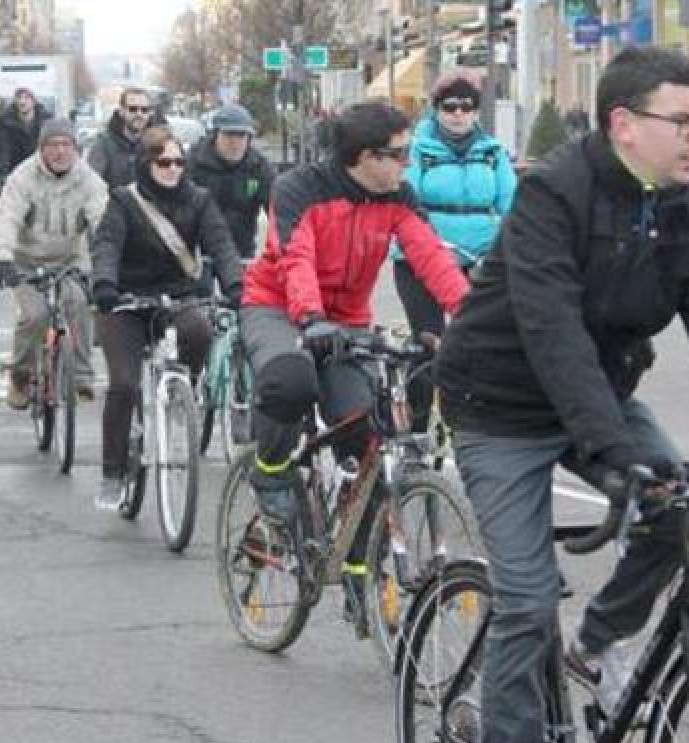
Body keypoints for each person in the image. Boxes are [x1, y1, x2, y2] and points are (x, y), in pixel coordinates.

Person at [432, 46, 689, 743]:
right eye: (684, 120)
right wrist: (613, 455)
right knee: (529, 601)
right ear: (624, 123)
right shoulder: (555, 194)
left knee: (680, 509)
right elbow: (552, 330)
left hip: (599, 396)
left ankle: (596, 642)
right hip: (498, 406)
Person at [240, 101, 469, 614]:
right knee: (290, 381)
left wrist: (470, 318)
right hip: (280, 308)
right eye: (398, 154)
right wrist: (310, 318)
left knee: (370, 435)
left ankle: (358, 564)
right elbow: (293, 255)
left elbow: (431, 257)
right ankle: (270, 469)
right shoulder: (299, 189)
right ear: (365, 156)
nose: (406, 164)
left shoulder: (398, 198)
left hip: (346, 320)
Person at [90, 125, 245, 510]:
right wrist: (105, 285)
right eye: (163, 162)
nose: (173, 169)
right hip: (125, 301)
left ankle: (182, 391)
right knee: (124, 385)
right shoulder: (124, 202)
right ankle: (112, 473)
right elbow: (107, 244)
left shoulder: (199, 200)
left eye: (178, 161)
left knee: (199, 328)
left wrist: (236, 286)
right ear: (146, 164)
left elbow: (220, 244)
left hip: (176, 296)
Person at [393, 71, 517, 433]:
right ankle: (415, 427)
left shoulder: (492, 152)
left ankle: (475, 420)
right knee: (429, 343)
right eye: (450, 107)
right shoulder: (417, 152)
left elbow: (512, 203)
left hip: (479, 258)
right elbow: (405, 202)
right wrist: (425, 241)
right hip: (423, 258)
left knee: (479, 340)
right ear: (436, 110)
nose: (459, 114)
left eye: (468, 107)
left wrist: (514, 243)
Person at [0, 118, 108, 408]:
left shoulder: (89, 180)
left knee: (78, 305)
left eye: (66, 145)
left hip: (70, 260)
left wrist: (107, 260)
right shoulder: (22, 178)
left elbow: (104, 222)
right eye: (52, 145)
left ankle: (81, 374)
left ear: (75, 148)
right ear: (41, 149)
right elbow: (7, 218)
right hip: (26, 261)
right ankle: (20, 375)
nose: (59, 152)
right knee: (34, 315)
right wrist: (4, 259)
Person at [186, 103, 275, 262]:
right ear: (215, 135)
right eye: (229, 135)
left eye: (241, 135)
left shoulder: (259, 168)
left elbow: (277, 213)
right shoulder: (193, 163)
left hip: (240, 254)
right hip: (198, 256)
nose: (235, 142)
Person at [86, 87, 154, 191]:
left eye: (144, 110)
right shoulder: (103, 145)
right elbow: (91, 186)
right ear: (121, 111)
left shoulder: (157, 144)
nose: (139, 114)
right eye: (133, 109)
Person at [0, 88, 48, 188]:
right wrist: (3, 181)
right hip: (16, 176)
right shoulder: (5, 123)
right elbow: (2, 154)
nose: (22, 102)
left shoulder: (46, 122)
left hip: (40, 176)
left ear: (33, 101)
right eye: (19, 98)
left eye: (26, 98)